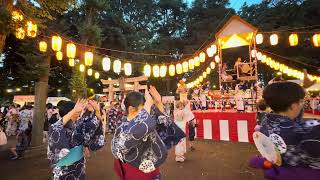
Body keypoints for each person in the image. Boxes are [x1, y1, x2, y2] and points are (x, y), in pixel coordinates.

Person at [111, 86, 185, 180]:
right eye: (143, 109)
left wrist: (158, 102)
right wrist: (148, 106)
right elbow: (119, 146)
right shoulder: (123, 127)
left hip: (153, 171)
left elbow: (162, 124)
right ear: (131, 109)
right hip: (134, 173)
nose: (146, 113)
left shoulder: (145, 121)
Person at [259, 82, 320, 170]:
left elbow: (294, 114)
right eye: (301, 101)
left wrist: (302, 89)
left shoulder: (264, 121)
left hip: (275, 172)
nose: (302, 104)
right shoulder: (309, 130)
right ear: (293, 106)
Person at [47, 99, 105, 179]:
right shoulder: (56, 127)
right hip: (64, 169)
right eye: (78, 112)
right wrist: (73, 110)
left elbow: (94, 124)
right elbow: (55, 128)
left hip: (79, 165)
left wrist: (97, 110)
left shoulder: (79, 124)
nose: (79, 113)